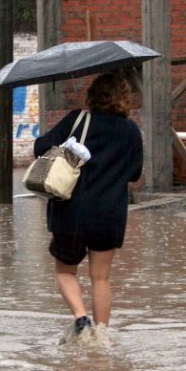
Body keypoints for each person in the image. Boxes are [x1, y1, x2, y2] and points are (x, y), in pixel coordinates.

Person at [33, 72, 143, 335]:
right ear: (123, 99)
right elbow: (135, 173)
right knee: (101, 277)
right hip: (110, 215)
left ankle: (81, 318)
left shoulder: (77, 120)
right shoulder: (131, 131)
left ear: (93, 95)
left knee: (65, 272)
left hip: (71, 212)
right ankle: (101, 335)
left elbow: (39, 147)